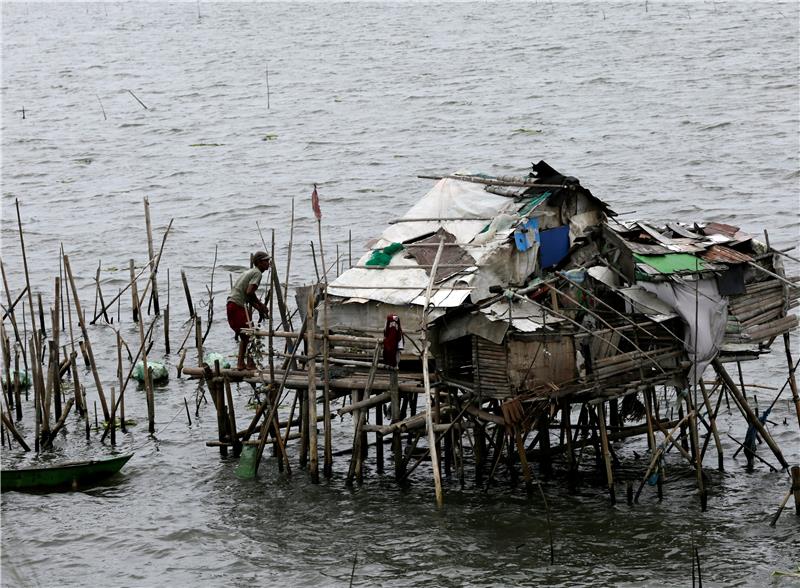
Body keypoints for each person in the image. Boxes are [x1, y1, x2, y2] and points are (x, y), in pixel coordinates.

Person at [227, 251, 270, 370]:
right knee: (249, 333)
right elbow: (249, 292)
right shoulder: (257, 273)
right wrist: (260, 305)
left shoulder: (250, 271)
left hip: (233, 303)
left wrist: (259, 307)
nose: (268, 263)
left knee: (246, 334)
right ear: (260, 262)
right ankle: (247, 363)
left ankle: (244, 363)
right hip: (236, 305)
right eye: (266, 261)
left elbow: (247, 294)